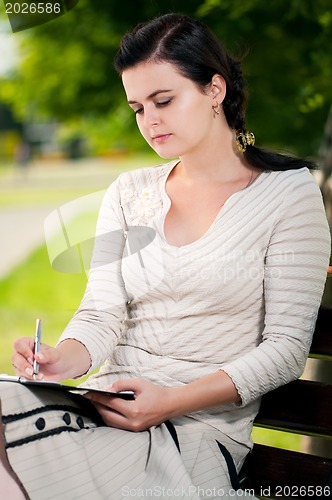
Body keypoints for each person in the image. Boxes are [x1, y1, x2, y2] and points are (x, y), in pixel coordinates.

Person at [1, 13, 331, 500]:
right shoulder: (128, 192)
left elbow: (284, 351)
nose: (149, 121)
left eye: (164, 100)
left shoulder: (287, 195)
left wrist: (168, 402)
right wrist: (58, 361)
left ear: (214, 90)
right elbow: (100, 312)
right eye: (137, 107)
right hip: (106, 406)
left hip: (192, 433)